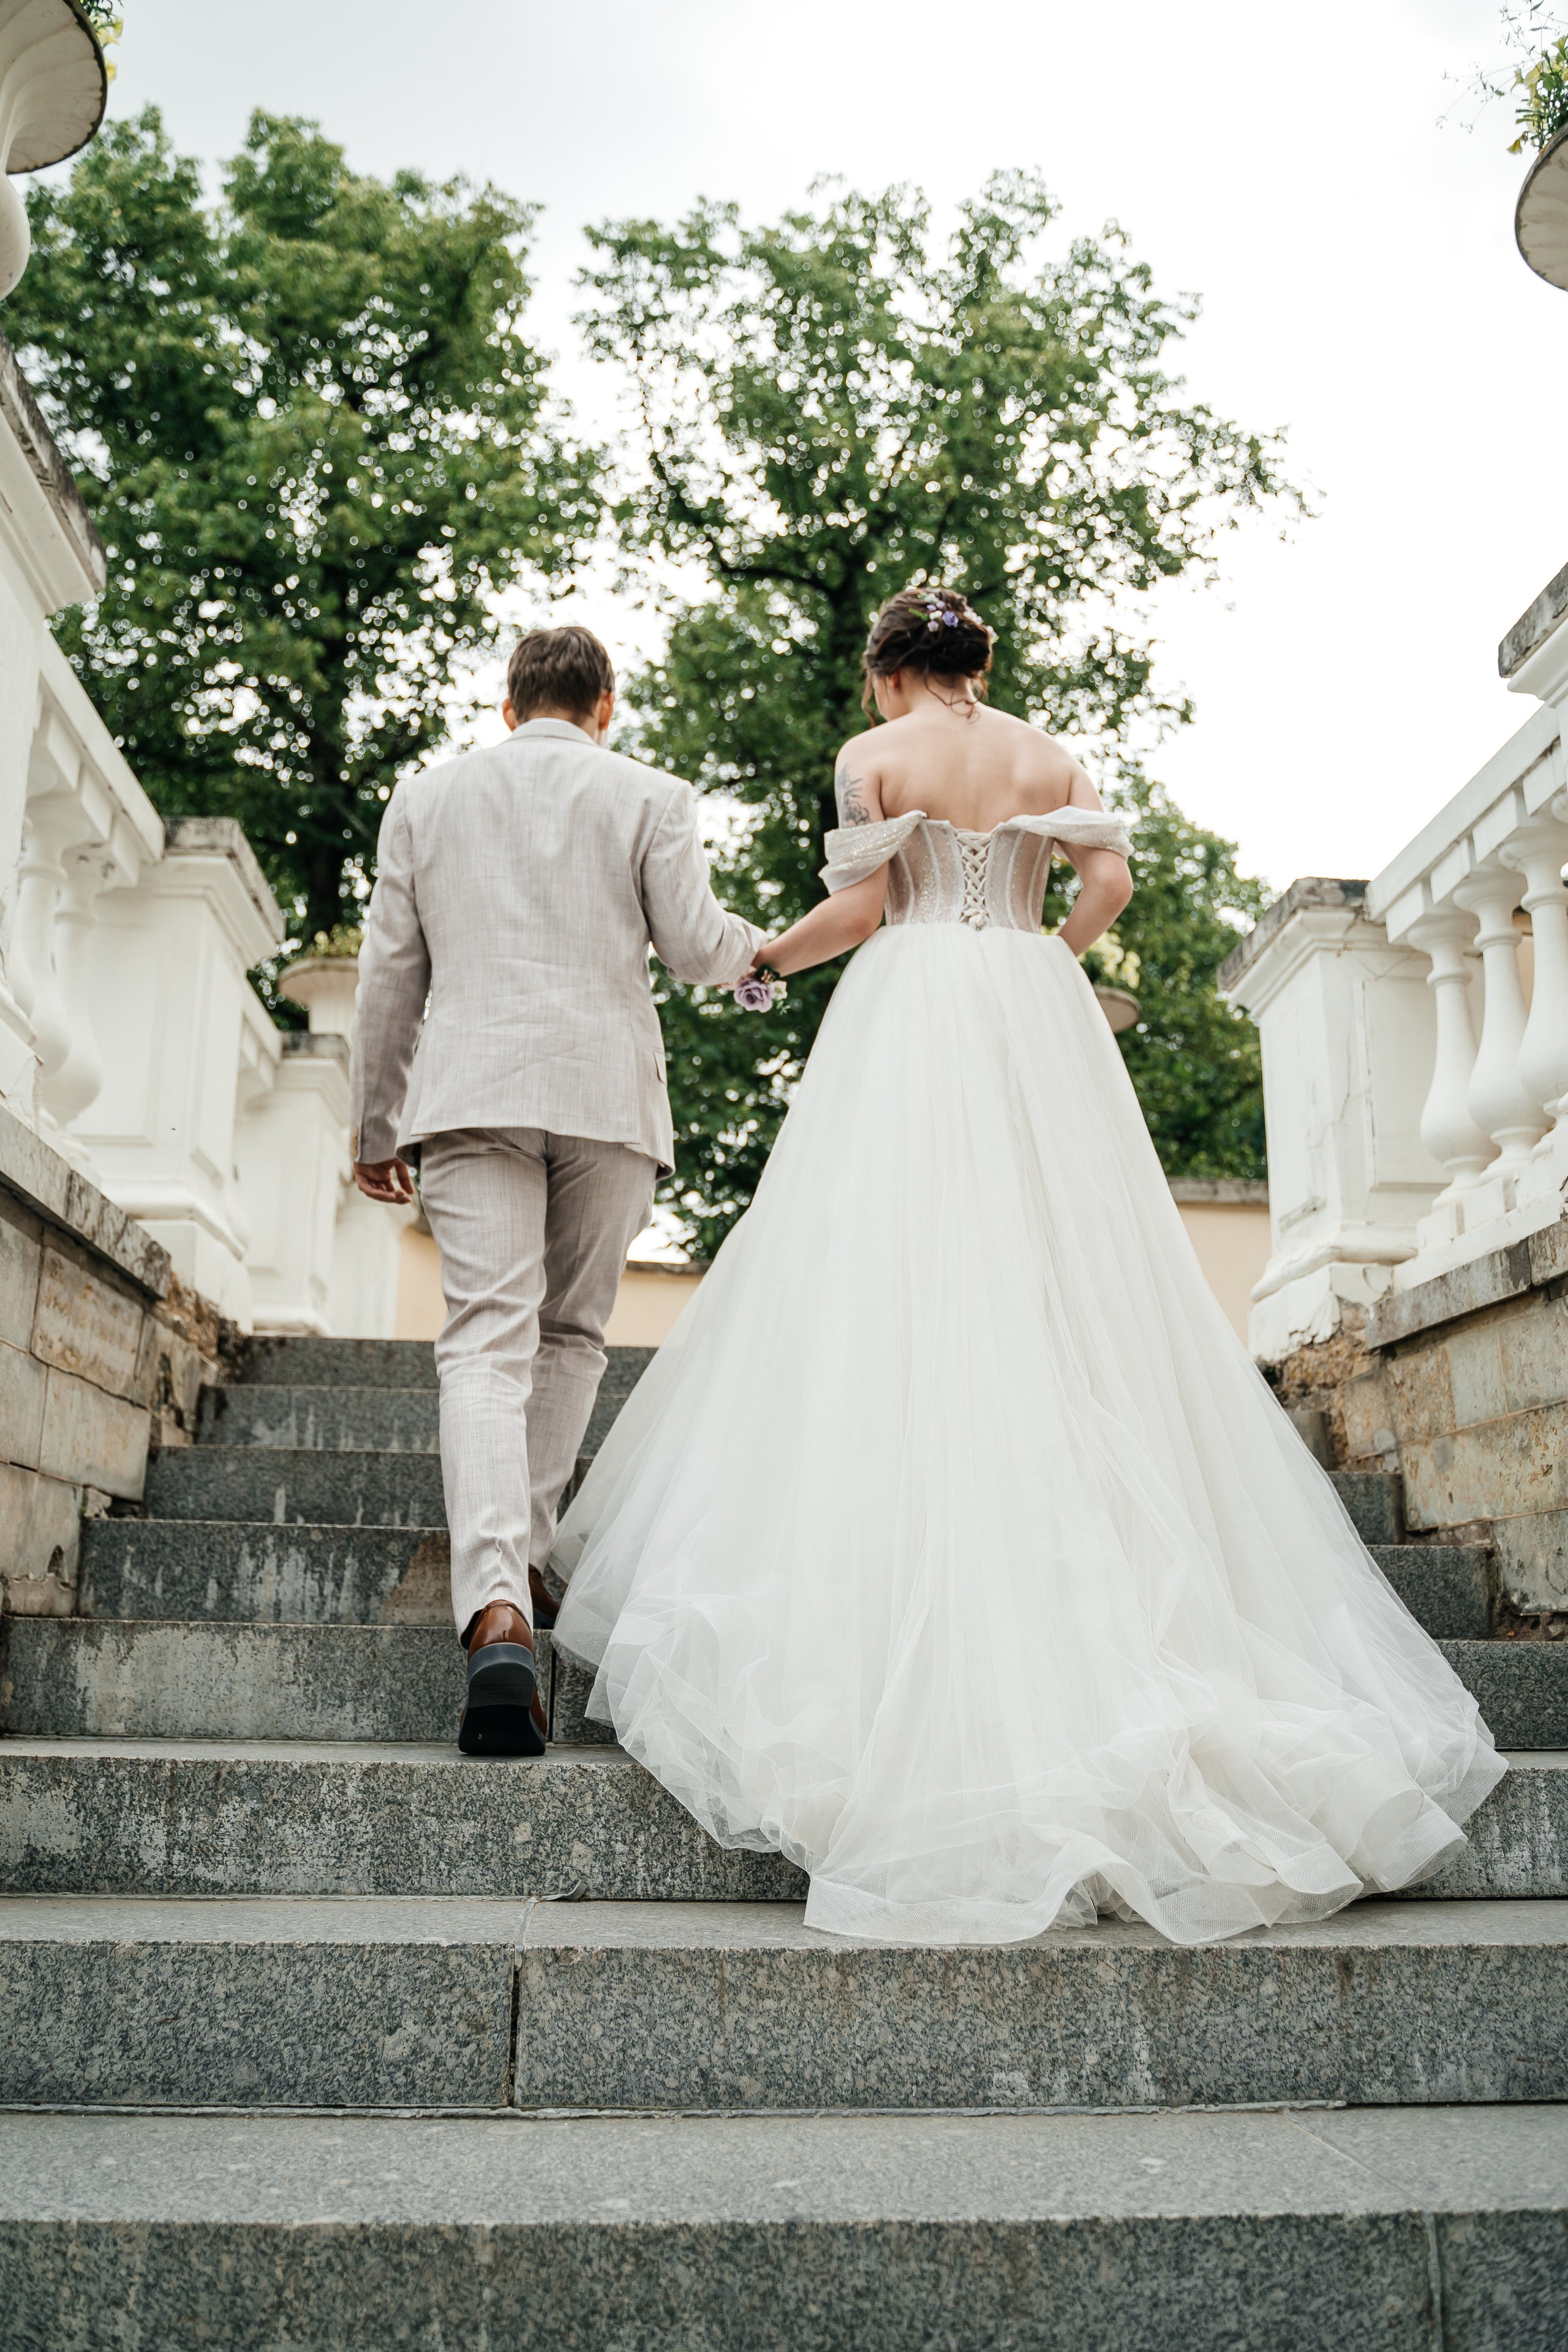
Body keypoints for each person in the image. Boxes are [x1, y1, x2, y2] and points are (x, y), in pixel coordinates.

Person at [551, 584, 1504, 1948]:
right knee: (1060, 1261)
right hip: (1028, 1008)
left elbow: (865, 907)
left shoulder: (874, 757)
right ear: (974, 665)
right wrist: (1046, 960)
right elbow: (1108, 882)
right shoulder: (1050, 756)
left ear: (888, 672)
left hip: (913, 1003)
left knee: (888, 1246)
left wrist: (762, 960)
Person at [350, 625, 761, 1757]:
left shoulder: (427, 799)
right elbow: (699, 948)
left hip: (472, 1090)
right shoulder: (652, 796)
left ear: (509, 705)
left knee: (486, 1341)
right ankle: (522, 1567)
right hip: (606, 1097)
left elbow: (390, 972)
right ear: (605, 706)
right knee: (572, 1334)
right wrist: (769, 956)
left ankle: (495, 1605)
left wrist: (375, 1124)